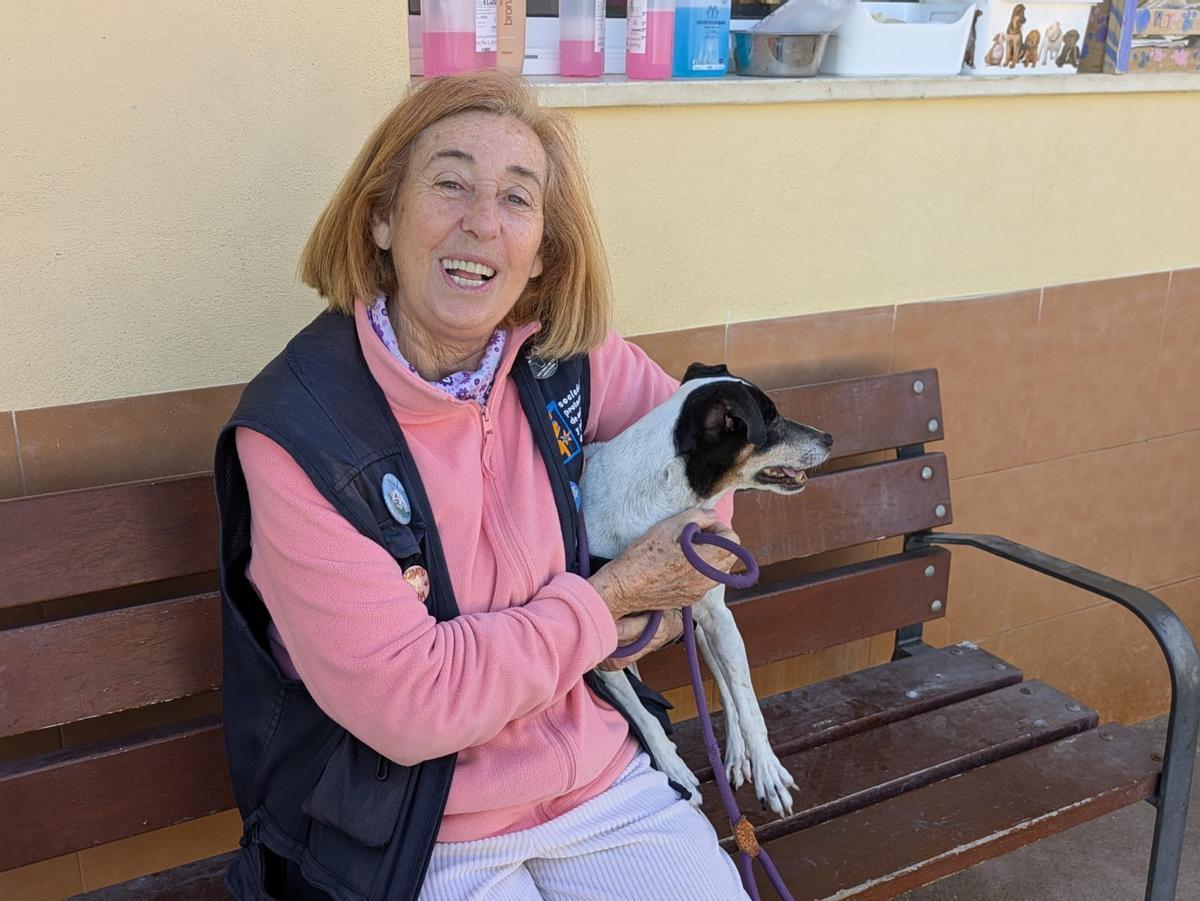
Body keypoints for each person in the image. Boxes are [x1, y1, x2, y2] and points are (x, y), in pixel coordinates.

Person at [213, 70, 749, 901]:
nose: (482, 223)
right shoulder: (300, 432)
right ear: (381, 217)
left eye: (517, 198)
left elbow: (707, 478)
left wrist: (646, 616)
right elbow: (414, 702)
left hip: (597, 776)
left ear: (542, 254)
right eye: (451, 184)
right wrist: (605, 604)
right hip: (411, 828)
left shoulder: (570, 359)